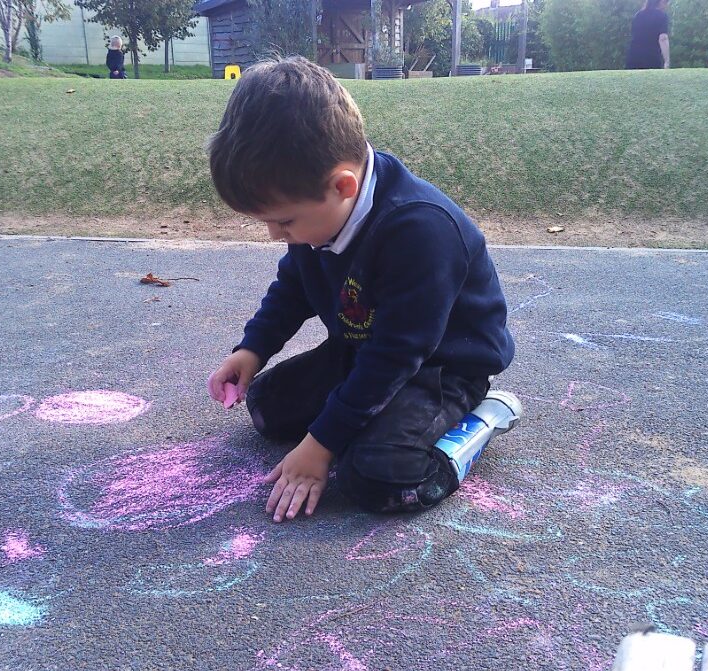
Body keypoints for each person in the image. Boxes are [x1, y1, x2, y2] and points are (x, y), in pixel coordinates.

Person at [205, 57, 517, 522]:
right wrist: (252, 350)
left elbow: (396, 355)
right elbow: (295, 285)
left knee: (378, 476)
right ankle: (366, 424)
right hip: (365, 349)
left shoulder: (421, 230)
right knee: (267, 408)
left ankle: (484, 418)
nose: (274, 234)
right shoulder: (323, 213)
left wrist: (321, 445)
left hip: (439, 368)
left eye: (283, 221)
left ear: (342, 186)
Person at [626, 0, 671, 70]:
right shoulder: (662, 16)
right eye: (666, 2)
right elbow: (663, 38)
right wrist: (667, 61)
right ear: (661, 2)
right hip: (652, 58)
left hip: (633, 57)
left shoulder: (638, 15)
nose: (667, 5)